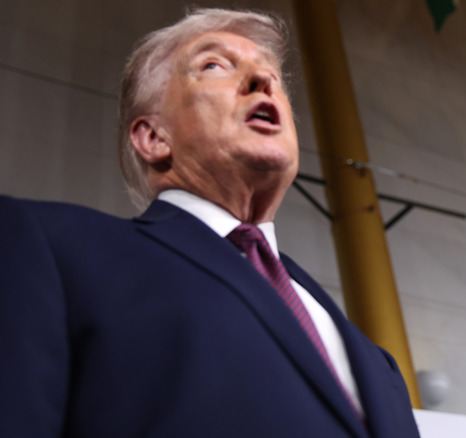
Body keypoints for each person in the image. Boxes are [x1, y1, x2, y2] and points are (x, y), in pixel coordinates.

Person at [0, 8, 419, 438]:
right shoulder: (46, 249)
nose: (264, 81)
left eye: (272, 73)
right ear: (153, 137)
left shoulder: (377, 363)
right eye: (214, 65)